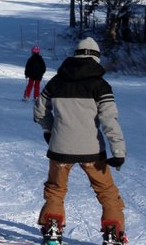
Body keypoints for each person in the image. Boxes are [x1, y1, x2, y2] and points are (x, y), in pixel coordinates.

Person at [34, 37, 127, 245]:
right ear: (96, 58)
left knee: (56, 189)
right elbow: (109, 120)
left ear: (76, 55)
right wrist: (118, 151)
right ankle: (113, 232)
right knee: (106, 192)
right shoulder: (100, 85)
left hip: (60, 149)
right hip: (92, 151)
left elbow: (40, 111)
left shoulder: (56, 82)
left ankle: (52, 229)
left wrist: (50, 131)